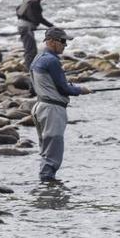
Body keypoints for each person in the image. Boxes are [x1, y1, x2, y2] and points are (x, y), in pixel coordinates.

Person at [30, 27, 92, 182]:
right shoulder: (52, 61)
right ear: (51, 41)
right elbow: (64, 88)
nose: (65, 45)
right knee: (53, 153)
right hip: (52, 110)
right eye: (62, 41)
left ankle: (45, 185)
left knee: (46, 150)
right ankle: (49, 188)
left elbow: (41, 85)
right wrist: (81, 90)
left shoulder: (38, 58)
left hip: (40, 108)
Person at [16, 0, 54, 72]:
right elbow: (39, 18)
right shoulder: (34, 2)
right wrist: (52, 26)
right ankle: (30, 69)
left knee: (30, 48)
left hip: (23, 26)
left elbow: (18, 11)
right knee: (31, 50)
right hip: (26, 28)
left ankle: (31, 67)